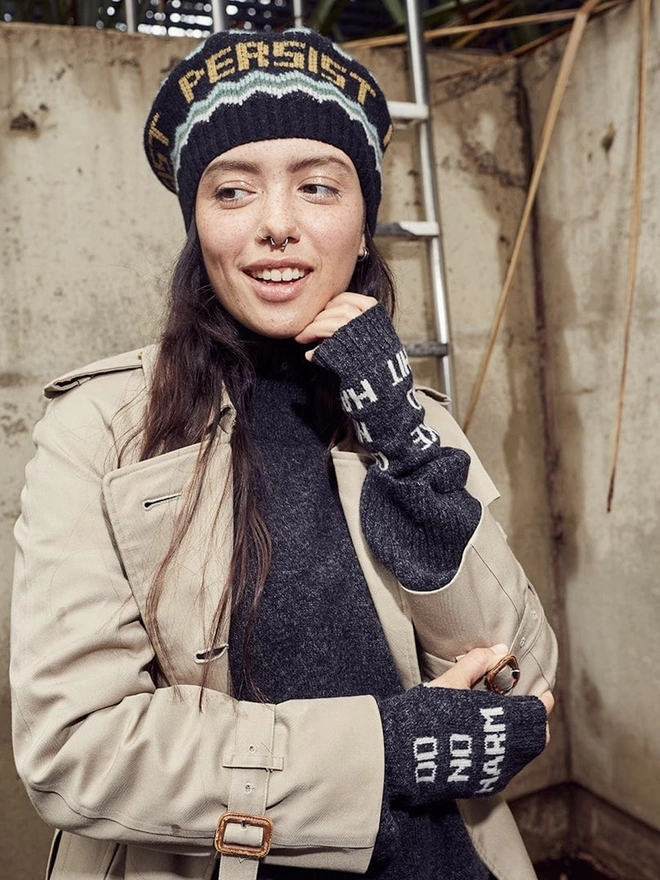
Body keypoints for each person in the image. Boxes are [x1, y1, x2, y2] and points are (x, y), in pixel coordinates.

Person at [10, 27, 557, 880]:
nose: (276, 226)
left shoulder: (411, 417)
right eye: (232, 192)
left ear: (364, 224)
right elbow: (75, 746)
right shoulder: (104, 430)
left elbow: (521, 678)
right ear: (198, 224)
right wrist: (384, 748)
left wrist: (403, 440)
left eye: (316, 186)